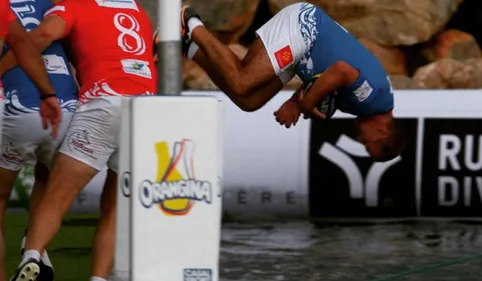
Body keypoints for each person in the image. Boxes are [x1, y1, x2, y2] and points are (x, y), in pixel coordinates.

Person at [6, 0, 156, 280]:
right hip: (148, 109)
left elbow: (45, 35)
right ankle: (98, 278)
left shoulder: (75, 4)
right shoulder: (136, 7)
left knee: (57, 194)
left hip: (105, 102)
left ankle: (33, 256)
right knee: (113, 208)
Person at [180, 2, 406, 162]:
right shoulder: (371, 99)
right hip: (305, 29)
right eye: (367, 144)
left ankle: (189, 46)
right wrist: (305, 105)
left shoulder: (369, 107)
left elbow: (324, 80)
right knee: (242, 82)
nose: (359, 139)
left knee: (250, 101)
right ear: (381, 131)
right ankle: (190, 22)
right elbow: (341, 70)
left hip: (302, 55)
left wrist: (295, 102)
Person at [0, 0, 80, 279]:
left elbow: (22, 43)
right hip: (66, 109)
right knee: (47, 180)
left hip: (15, 107)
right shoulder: (57, 7)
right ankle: (34, 249)